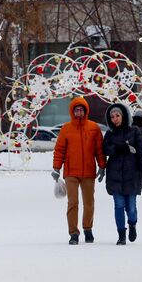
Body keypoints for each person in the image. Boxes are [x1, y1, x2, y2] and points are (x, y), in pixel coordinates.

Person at [52, 96, 107, 245]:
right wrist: (56, 168)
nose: (79, 112)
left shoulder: (94, 128)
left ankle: (87, 229)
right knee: (73, 203)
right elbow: (59, 150)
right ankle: (73, 233)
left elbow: (99, 150)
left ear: (86, 111)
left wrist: (102, 166)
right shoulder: (66, 128)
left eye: (81, 109)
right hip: (71, 172)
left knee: (89, 203)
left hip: (89, 172)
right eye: (76, 110)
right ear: (72, 111)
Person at [102, 103, 142, 245]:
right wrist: (119, 148)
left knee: (131, 207)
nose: (115, 119)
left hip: (132, 175)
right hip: (115, 175)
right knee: (119, 205)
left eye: (117, 115)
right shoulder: (110, 133)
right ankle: (121, 235)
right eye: (112, 117)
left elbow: (141, 152)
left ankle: (132, 224)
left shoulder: (135, 131)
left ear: (123, 115)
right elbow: (105, 149)